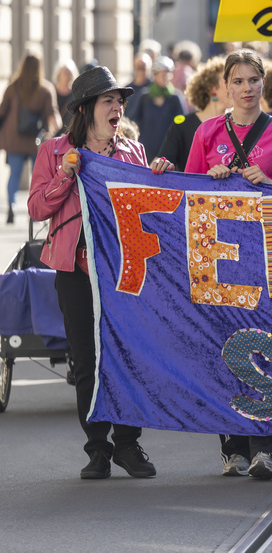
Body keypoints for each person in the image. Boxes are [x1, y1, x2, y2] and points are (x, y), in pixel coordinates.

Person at [169, 49, 272, 479]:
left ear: (264, 84)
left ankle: (266, 446)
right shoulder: (207, 132)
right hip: (217, 257)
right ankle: (233, 447)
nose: (246, 88)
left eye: (253, 81)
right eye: (238, 81)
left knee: (264, 346)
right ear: (225, 87)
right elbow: (187, 189)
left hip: (263, 255)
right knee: (223, 344)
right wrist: (209, 178)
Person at [28, 66, 163, 480]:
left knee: (125, 355)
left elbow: (149, 210)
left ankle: (127, 444)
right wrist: (65, 175)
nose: (118, 107)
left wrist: (159, 177)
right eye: (110, 101)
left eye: (120, 101)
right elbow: (36, 209)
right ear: (87, 109)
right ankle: (98, 448)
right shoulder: (54, 152)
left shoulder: (132, 151)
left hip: (122, 273)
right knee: (86, 360)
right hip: (76, 270)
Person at [0, 53, 61, 223]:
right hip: (36, 142)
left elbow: (2, 111)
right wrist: (51, 134)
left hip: (14, 140)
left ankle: (11, 206)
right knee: (38, 177)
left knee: (14, 175)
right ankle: (34, 210)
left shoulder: (13, 87)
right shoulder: (45, 89)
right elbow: (52, 115)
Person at [158, 56, 228, 171]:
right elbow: (163, 160)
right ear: (212, 88)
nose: (234, 87)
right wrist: (164, 165)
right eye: (227, 81)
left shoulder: (237, 125)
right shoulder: (182, 125)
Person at [125, 55, 185, 160]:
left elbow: (182, 122)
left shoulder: (175, 98)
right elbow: (132, 121)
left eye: (168, 74)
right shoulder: (144, 96)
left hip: (169, 151)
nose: (165, 77)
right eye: (162, 74)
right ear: (155, 75)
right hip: (146, 151)